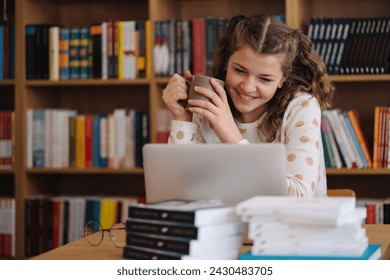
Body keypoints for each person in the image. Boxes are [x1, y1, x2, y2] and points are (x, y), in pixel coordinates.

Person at [162, 15, 335, 197]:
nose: (247, 87)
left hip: (287, 224)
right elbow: (177, 190)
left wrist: (232, 137)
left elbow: (299, 195)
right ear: (227, 63)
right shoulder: (209, 102)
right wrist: (182, 119)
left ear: (283, 78)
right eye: (239, 70)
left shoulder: (301, 107)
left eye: (265, 79)